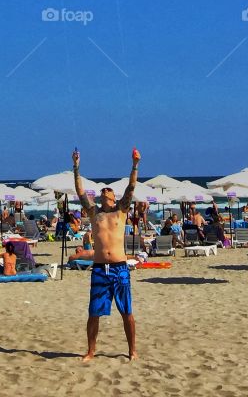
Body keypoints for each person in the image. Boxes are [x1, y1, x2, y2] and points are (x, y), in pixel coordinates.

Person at [73, 146, 140, 363]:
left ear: (113, 196)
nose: (104, 191)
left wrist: (135, 165)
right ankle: (91, 351)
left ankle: (132, 350)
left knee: (126, 311)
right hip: (101, 269)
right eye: (102, 191)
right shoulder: (95, 213)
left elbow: (131, 186)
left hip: (120, 268)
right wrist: (76, 167)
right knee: (94, 313)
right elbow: (80, 193)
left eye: (108, 190)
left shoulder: (121, 210)